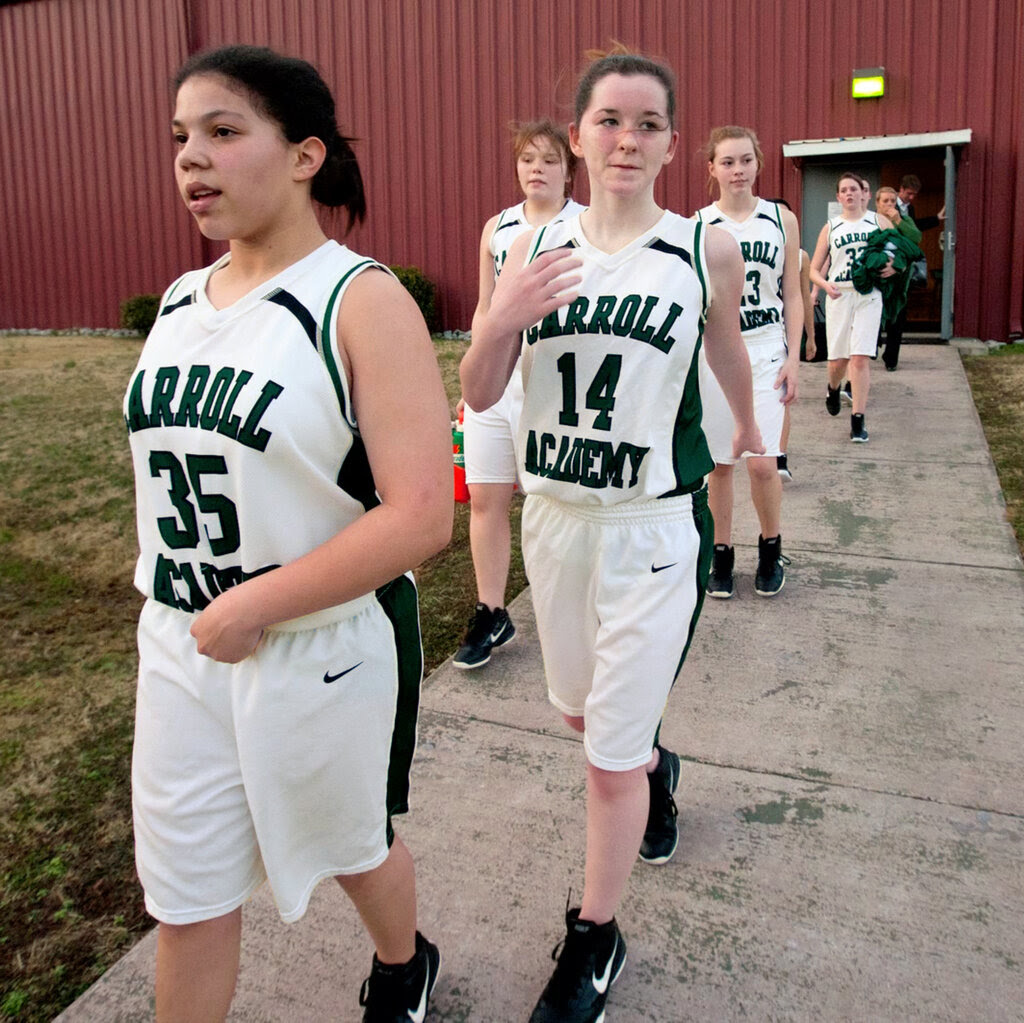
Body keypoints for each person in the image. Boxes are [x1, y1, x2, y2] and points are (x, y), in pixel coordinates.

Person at [124, 45, 452, 1022]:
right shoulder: (182, 301)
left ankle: (404, 961)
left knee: (352, 847)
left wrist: (257, 602)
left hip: (318, 650)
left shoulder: (358, 298)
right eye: (182, 137)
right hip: (181, 647)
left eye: (223, 132)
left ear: (305, 154)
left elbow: (422, 514)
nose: (192, 158)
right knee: (187, 900)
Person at [461, 49, 762, 1023]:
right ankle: (653, 765)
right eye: (608, 120)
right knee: (587, 726)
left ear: (673, 144)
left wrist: (751, 428)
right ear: (579, 134)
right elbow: (475, 392)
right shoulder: (529, 245)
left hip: (650, 527)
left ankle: (595, 934)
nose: (626, 139)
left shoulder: (696, 248)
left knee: (602, 763)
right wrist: (499, 315)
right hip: (553, 522)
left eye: (645, 124)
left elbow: (721, 347)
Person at [453, 121, 585, 669]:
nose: (537, 169)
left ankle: (572, 612)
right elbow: (487, 309)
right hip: (499, 379)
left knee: (553, 504)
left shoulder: (586, 225)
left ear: (568, 169)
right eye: (527, 159)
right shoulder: (497, 228)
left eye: (549, 160)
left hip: (553, 381)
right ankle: (491, 611)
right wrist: (474, 375)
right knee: (486, 499)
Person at [695, 131, 802, 598]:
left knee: (762, 463)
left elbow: (794, 293)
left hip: (766, 351)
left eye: (745, 160)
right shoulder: (698, 224)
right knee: (719, 465)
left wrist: (795, 357)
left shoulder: (781, 218)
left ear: (758, 163)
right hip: (717, 353)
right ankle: (721, 554)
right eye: (727, 162)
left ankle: (770, 547)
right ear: (712, 169)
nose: (737, 170)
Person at [810, 172, 894, 443]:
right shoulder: (831, 227)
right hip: (840, 295)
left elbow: (901, 251)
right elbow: (812, 269)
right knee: (838, 360)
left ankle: (858, 420)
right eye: (844, 190)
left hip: (868, 294)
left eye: (853, 189)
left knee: (860, 357)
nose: (849, 194)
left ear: (863, 193)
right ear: (838, 197)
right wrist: (823, 285)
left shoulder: (878, 222)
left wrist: (893, 266)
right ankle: (833, 388)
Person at [881, 175, 942, 371]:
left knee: (899, 314)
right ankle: (872, 347)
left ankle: (891, 359)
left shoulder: (908, 211)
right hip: (883, 268)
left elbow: (913, 231)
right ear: (901, 190)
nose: (912, 198)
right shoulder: (882, 213)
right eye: (909, 194)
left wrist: (935, 219)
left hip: (902, 270)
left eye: (915, 195)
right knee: (878, 312)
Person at [777, 243, 816, 482]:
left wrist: (810, 336)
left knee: (781, 397)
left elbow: (803, 298)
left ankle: (780, 456)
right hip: (746, 331)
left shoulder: (800, 257)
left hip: (780, 334)